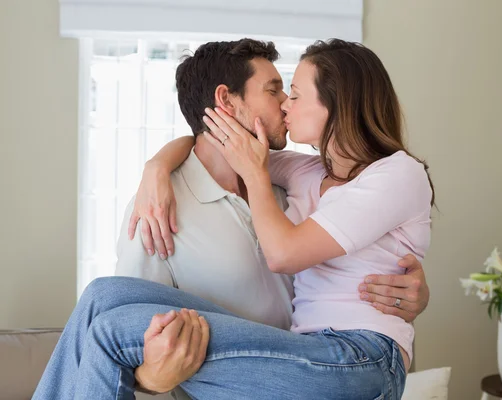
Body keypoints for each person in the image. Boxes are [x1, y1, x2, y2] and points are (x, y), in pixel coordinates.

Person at [33, 38, 434, 399]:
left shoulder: (383, 174)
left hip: (356, 359)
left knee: (110, 331)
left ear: (337, 102)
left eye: (293, 94)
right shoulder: (299, 174)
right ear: (225, 101)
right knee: (103, 296)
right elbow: (208, 144)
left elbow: (284, 253)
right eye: (278, 91)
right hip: (299, 356)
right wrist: (155, 167)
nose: (285, 105)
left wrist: (417, 291)